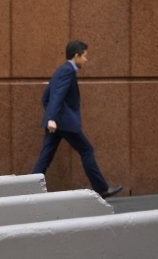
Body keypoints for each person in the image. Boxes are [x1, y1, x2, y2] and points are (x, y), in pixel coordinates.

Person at [32, 40, 123, 199]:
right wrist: (52, 118)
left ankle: (29, 188)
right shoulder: (67, 71)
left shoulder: (61, 70)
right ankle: (101, 188)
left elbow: (45, 97)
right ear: (76, 55)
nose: (86, 60)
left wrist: (51, 117)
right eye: (85, 56)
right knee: (86, 150)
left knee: (46, 155)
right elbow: (57, 96)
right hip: (65, 124)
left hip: (57, 123)